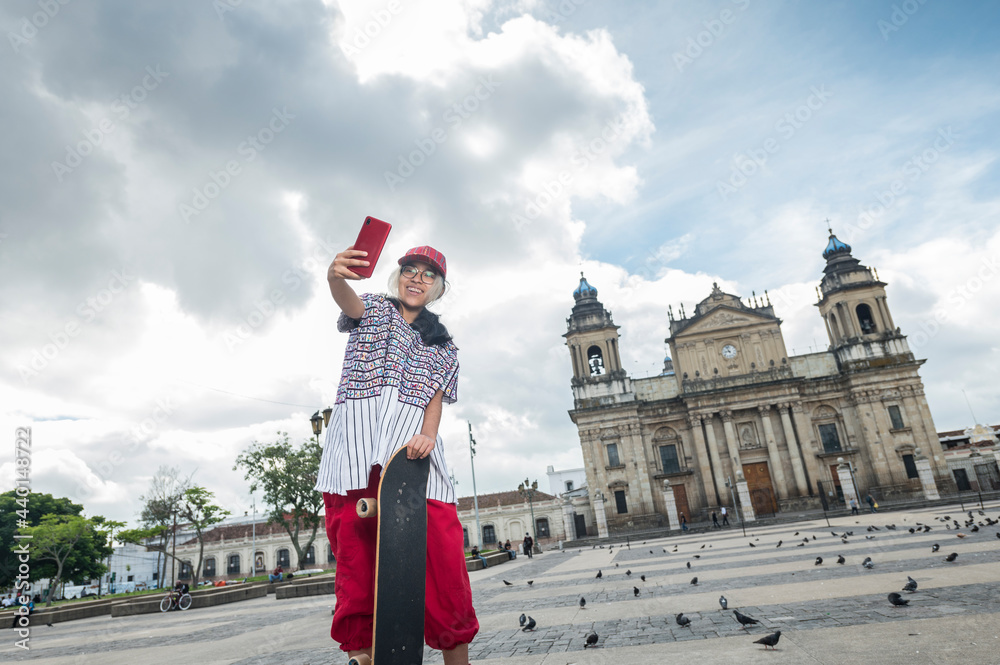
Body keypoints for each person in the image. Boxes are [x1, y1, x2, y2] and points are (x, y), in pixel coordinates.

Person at [315, 244, 478, 665]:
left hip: (410, 461)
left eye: (428, 275)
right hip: (353, 457)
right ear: (398, 276)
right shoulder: (373, 310)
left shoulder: (445, 347)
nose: (417, 279)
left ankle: (456, 654)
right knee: (357, 568)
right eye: (411, 270)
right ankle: (364, 658)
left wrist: (428, 434)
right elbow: (345, 299)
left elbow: (436, 400)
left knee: (444, 563)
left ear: (437, 288)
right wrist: (335, 276)